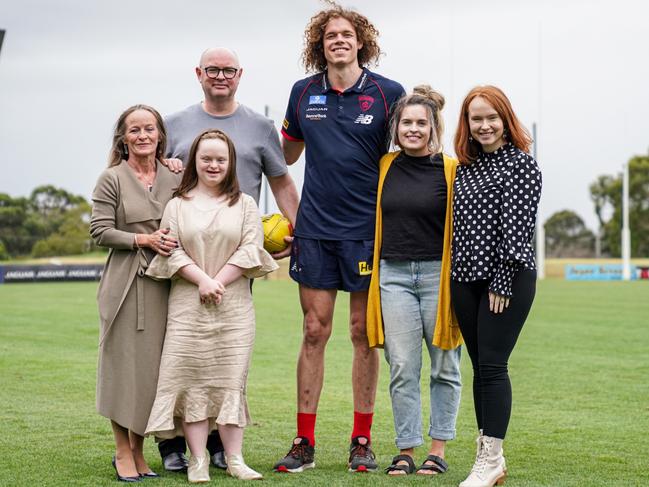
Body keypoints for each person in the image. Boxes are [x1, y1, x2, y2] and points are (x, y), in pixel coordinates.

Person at [273, 3, 404, 473]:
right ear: (320, 45)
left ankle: (361, 439)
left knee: (362, 335)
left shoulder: (388, 93)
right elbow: (284, 155)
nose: (339, 40)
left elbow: (408, 150)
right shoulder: (302, 92)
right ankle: (304, 441)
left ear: (361, 42)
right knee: (314, 331)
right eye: (331, 35)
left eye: (347, 34)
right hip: (316, 232)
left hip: (369, 234)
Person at [158, 46, 299, 471]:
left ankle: (221, 449)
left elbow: (283, 183)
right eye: (213, 70)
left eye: (229, 70)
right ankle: (174, 448)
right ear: (199, 73)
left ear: (241, 75)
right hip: (183, 252)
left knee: (226, 352)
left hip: (235, 255)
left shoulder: (259, 126)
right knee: (183, 354)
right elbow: (153, 176)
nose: (221, 76)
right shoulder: (173, 123)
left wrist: (305, 233)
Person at [144, 129, 278, 482]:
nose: (213, 165)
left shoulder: (245, 204)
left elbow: (251, 248)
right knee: (191, 383)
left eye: (221, 159)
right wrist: (202, 280)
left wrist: (219, 280)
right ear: (195, 162)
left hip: (234, 308)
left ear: (231, 163)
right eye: (206, 159)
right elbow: (170, 249)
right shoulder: (177, 204)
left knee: (231, 382)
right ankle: (198, 459)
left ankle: (235, 459)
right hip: (188, 307)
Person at [365, 85, 463, 476]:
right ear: (396, 127)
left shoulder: (451, 168)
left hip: (438, 277)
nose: (414, 129)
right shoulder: (385, 165)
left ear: (433, 126)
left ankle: (437, 449)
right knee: (402, 366)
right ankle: (406, 449)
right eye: (407, 122)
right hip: (393, 275)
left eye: (421, 123)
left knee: (444, 365)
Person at [451, 86, 542, 487]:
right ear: (467, 125)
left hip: (506, 280)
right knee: (479, 370)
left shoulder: (521, 165)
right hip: (465, 280)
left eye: (492, 117)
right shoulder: (466, 168)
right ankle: (486, 454)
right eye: (476, 119)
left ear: (505, 120)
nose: (484, 125)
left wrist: (502, 282)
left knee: (493, 366)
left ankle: (492, 459)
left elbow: (517, 233)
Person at [90, 104, 182, 482]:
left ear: (160, 134)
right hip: (125, 283)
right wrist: (142, 238)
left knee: (151, 374)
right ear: (123, 138)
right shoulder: (110, 178)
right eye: (135, 130)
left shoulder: (175, 175)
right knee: (122, 369)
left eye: (150, 129)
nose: (143, 136)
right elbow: (99, 231)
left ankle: (141, 451)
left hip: (166, 285)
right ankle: (122, 450)